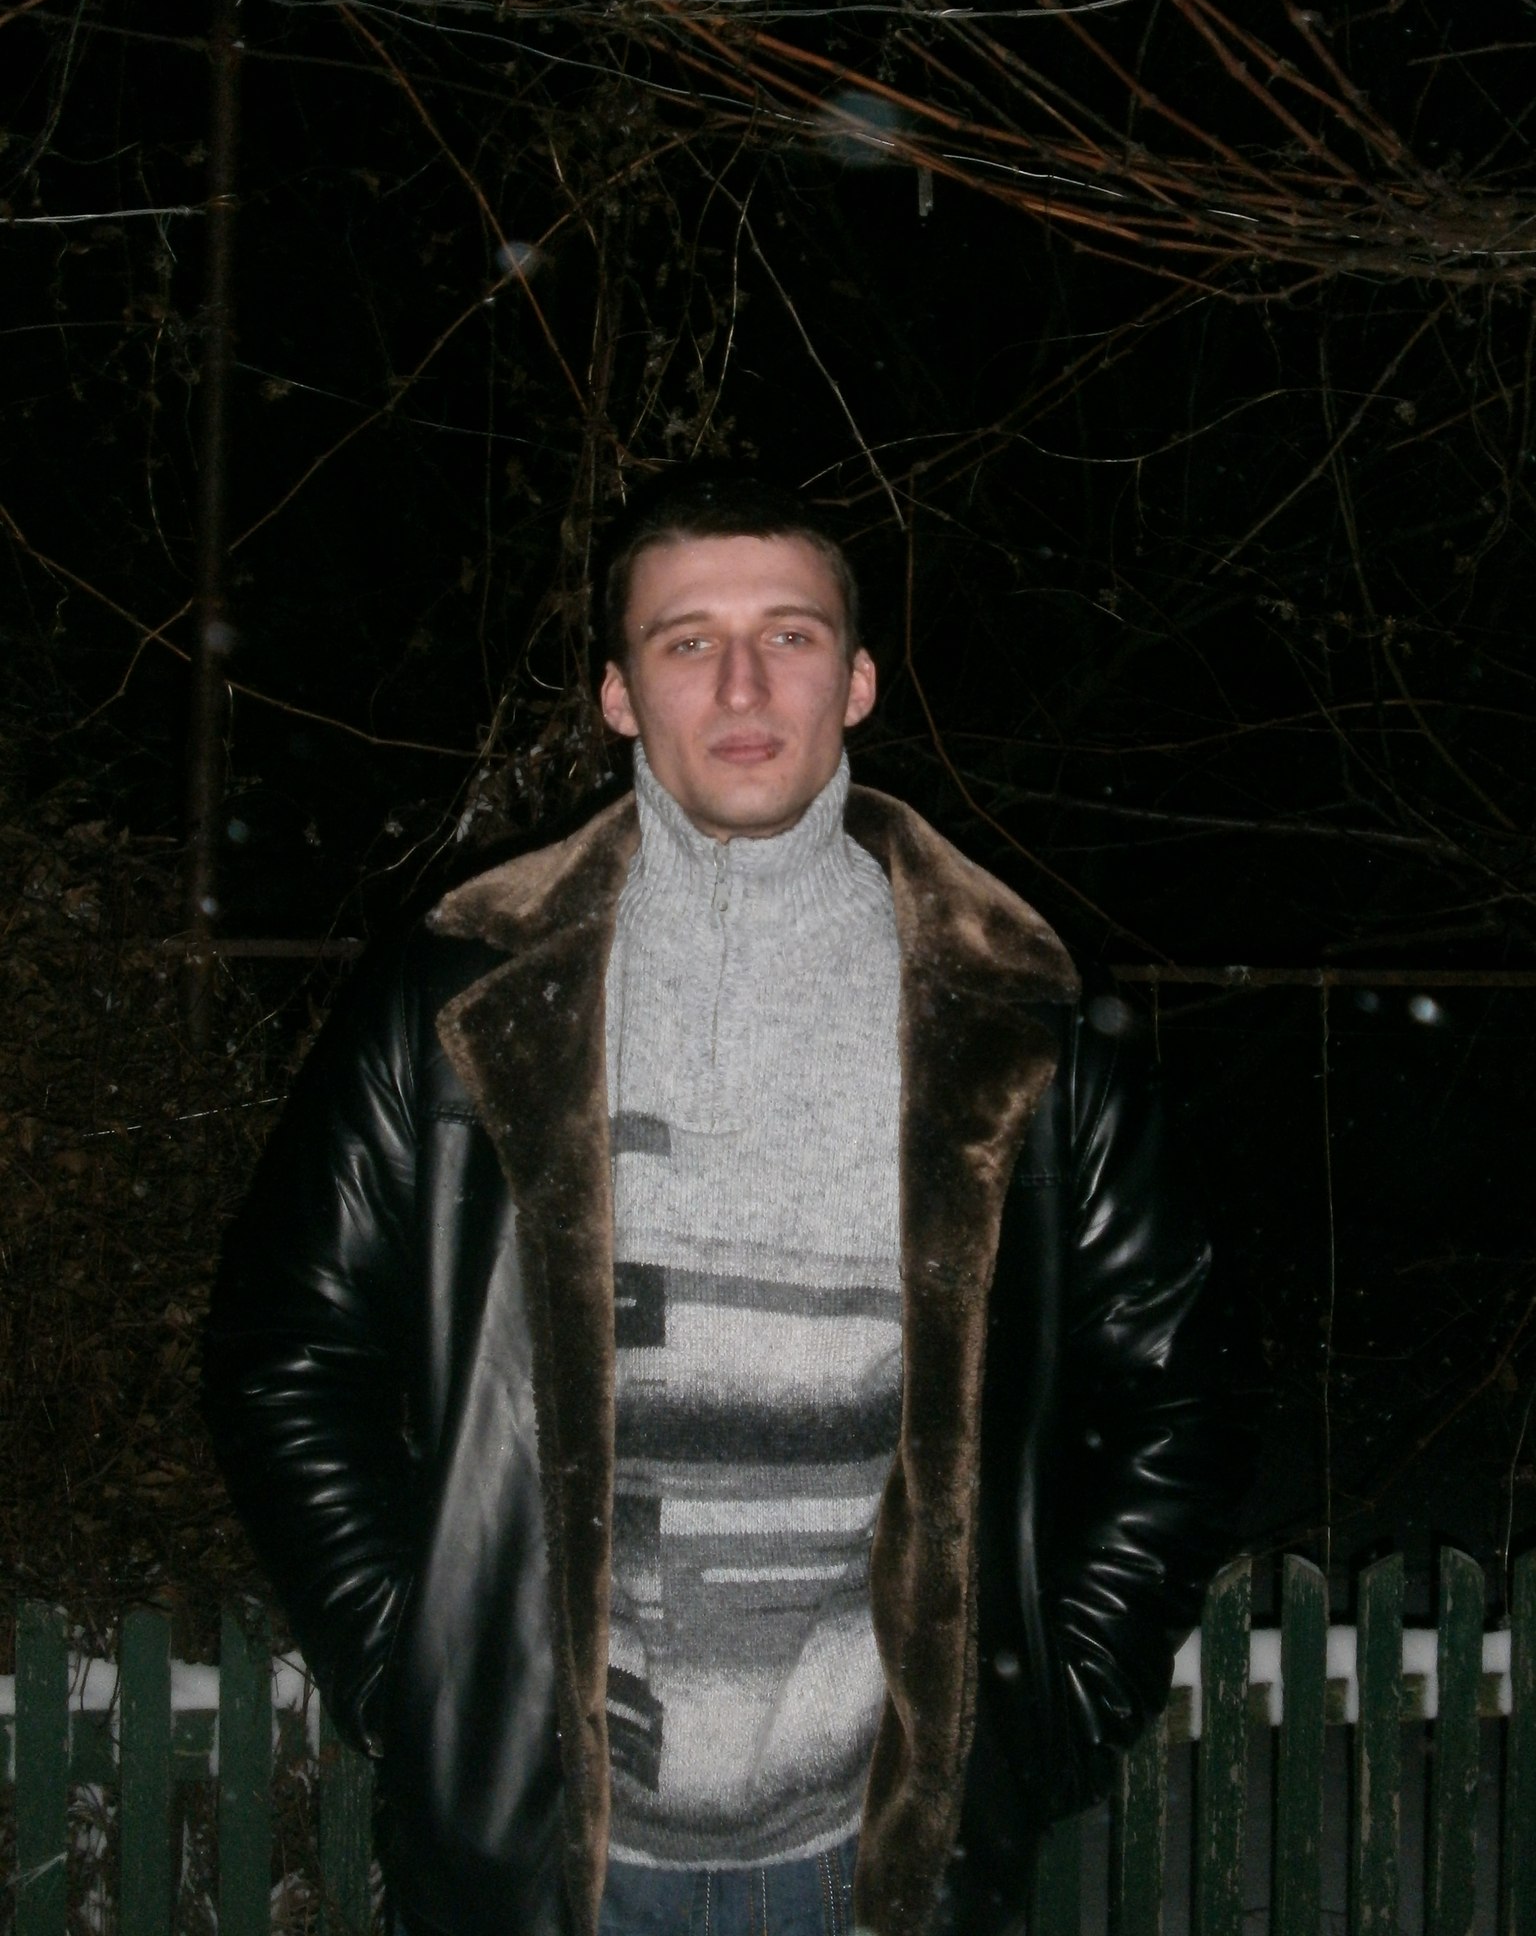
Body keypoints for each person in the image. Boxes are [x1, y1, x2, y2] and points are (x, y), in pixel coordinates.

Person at [204, 470, 1251, 1936]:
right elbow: (286, 1355)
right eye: (687, 639)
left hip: (883, 1864)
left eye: (790, 635)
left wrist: (1046, 1713)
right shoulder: (460, 992)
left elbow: (1177, 1390)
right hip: (548, 1862)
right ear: (619, 694)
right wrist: (430, 1684)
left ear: (859, 680)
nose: (743, 683)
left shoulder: (1019, 1008)